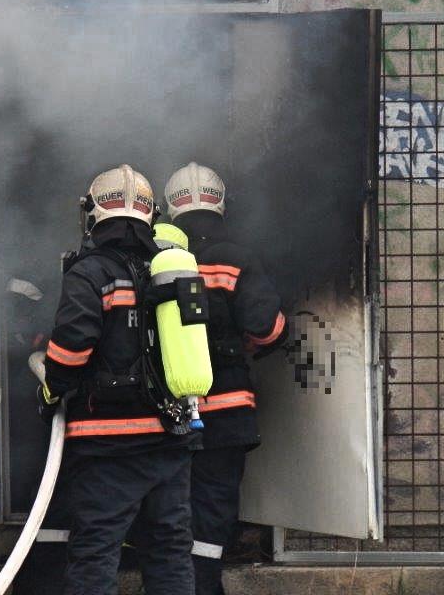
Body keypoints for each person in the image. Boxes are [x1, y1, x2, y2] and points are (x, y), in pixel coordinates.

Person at [35, 164, 197, 595]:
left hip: (108, 445)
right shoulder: (167, 270)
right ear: (152, 215)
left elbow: (71, 348)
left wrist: (50, 388)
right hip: (170, 438)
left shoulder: (89, 273)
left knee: (96, 551)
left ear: (91, 214)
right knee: (169, 549)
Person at [163, 162, 286, 595]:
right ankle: (204, 586)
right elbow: (267, 326)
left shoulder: (154, 259)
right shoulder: (237, 257)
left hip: (164, 411)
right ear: (222, 203)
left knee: (167, 503)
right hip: (227, 409)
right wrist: (251, 345)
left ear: (167, 207)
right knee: (213, 507)